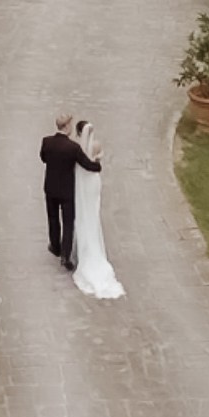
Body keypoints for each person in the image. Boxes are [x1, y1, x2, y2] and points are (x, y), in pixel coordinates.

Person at [40, 109, 101, 269]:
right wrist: (98, 165)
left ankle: (55, 246)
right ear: (67, 126)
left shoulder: (46, 141)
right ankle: (66, 256)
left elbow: (43, 158)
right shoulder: (72, 148)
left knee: (52, 218)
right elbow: (86, 164)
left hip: (50, 188)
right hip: (66, 191)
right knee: (68, 222)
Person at [71, 119, 124, 299]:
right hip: (93, 181)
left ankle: (82, 248)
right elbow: (99, 161)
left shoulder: (77, 149)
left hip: (83, 184)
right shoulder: (96, 145)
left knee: (83, 213)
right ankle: (92, 248)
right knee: (93, 212)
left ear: (79, 133)